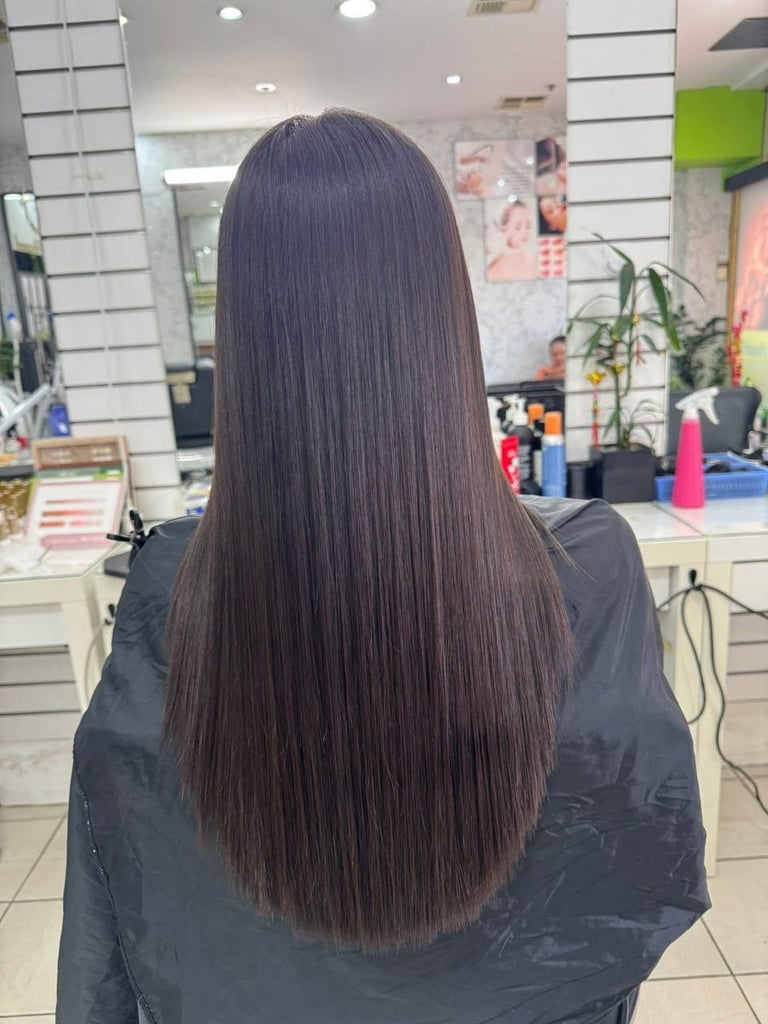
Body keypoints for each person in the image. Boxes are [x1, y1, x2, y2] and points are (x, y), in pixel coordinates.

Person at [57, 110, 708, 1024]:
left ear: (241, 332)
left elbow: (124, 894)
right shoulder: (588, 560)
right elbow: (632, 856)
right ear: (444, 307)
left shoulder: (169, 583)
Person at [486, 199, 538, 281]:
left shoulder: (536, 261)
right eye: (517, 227)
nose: (525, 232)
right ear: (504, 229)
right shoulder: (494, 268)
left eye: (528, 226)